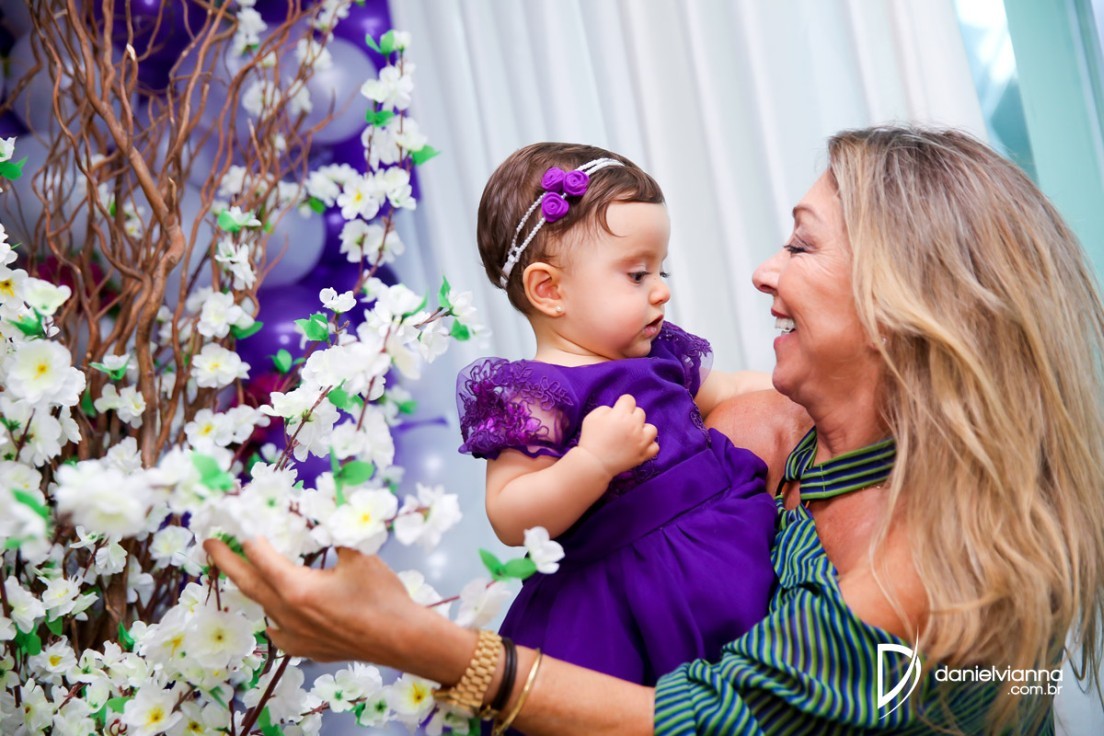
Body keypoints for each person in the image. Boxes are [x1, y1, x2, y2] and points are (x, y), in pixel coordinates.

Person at [206, 126, 1104, 735]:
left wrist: (410, 641)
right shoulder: (762, 430)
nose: (761, 272)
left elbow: (700, 721)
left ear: (905, 303)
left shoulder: (935, 578)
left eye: (801, 245)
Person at [454, 142, 776, 685]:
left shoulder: (658, 355)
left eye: (660, 269)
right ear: (549, 290)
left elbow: (731, 388)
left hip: (723, 546)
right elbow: (510, 516)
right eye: (637, 275)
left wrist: (803, 384)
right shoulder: (536, 393)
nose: (662, 290)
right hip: (630, 602)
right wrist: (592, 464)